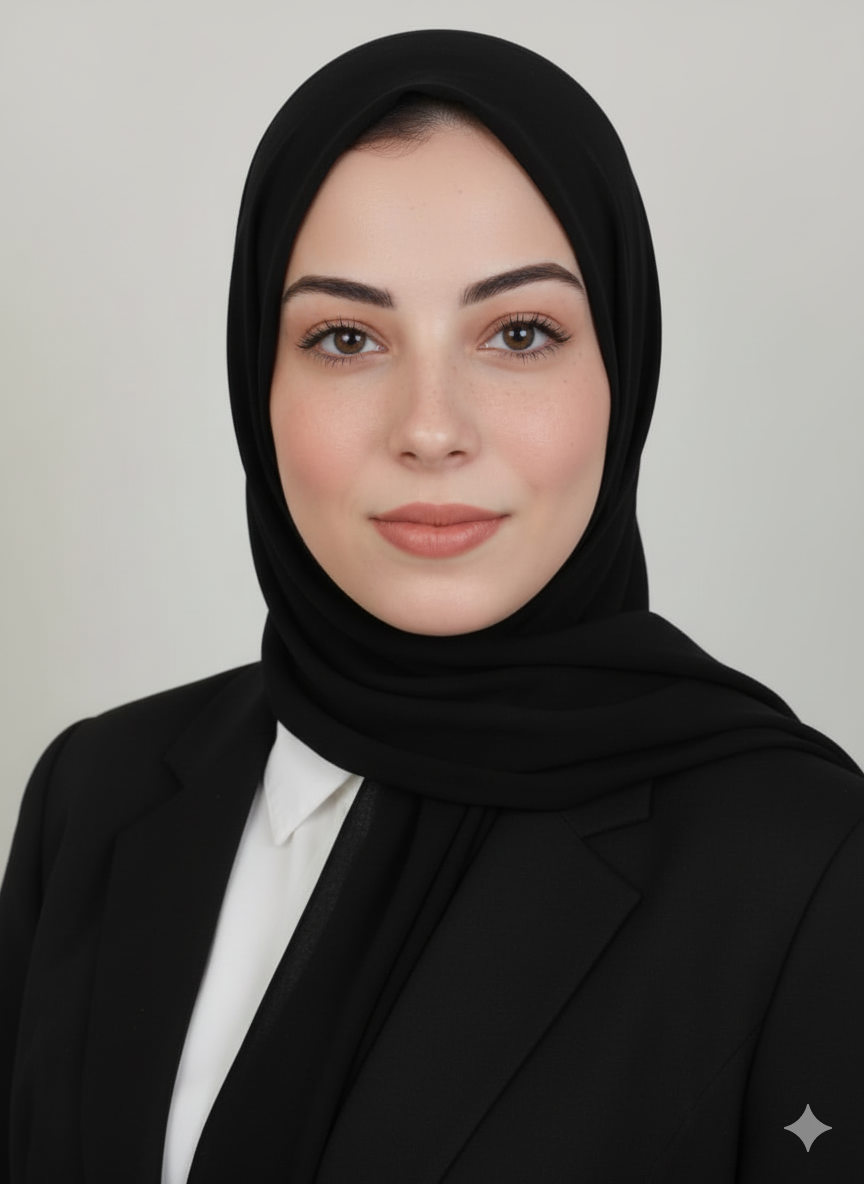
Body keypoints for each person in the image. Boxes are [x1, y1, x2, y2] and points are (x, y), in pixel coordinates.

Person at [1, 27, 862, 1184]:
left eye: (520, 333)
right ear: (257, 382)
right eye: (346, 337)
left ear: (624, 370)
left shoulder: (806, 865)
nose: (430, 427)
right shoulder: (94, 795)